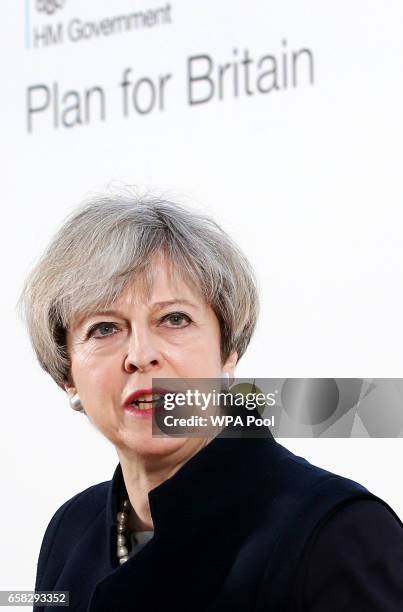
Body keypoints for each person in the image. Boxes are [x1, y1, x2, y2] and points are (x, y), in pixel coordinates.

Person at [19, 189, 403, 612]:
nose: (140, 354)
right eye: (104, 328)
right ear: (67, 375)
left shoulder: (337, 531)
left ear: (228, 353)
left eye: (174, 319)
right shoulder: (70, 530)